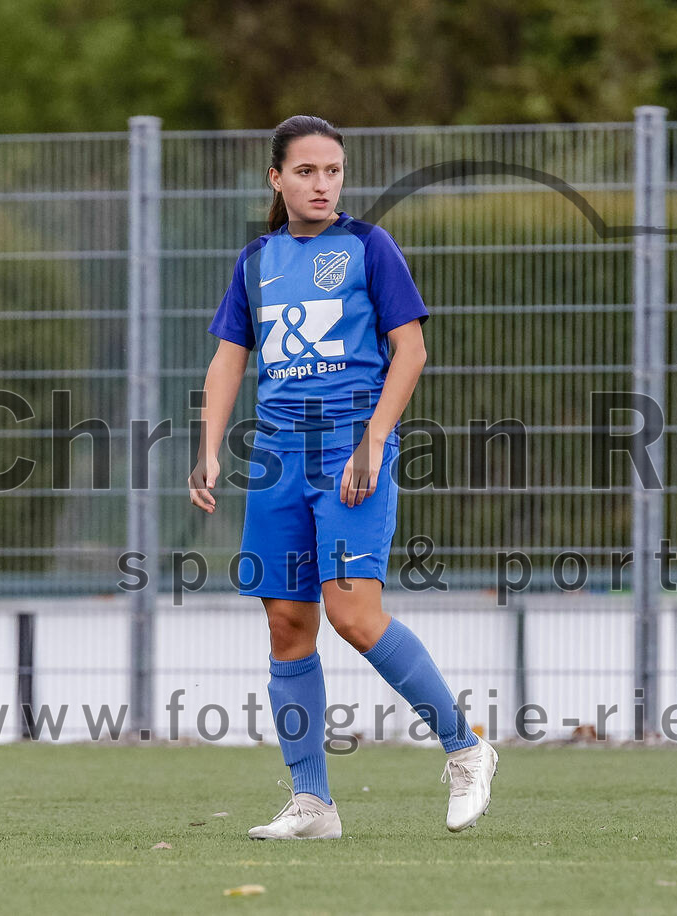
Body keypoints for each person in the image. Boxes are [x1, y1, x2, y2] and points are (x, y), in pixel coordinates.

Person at [188, 115, 497, 840]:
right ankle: (313, 804)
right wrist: (208, 448)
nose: (321, 184)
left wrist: (372, 441)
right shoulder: (256, 259)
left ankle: (465, 748)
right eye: (305, 171)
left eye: (332, 171)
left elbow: (410, 351)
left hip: (352, 453)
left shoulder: (368, 246)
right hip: (278, 458)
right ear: (277, 178)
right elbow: (230, 357)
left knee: (354, 615)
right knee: (287, 622)